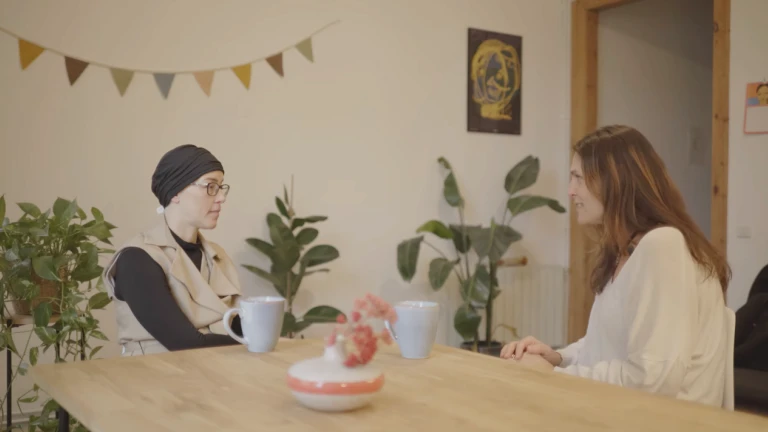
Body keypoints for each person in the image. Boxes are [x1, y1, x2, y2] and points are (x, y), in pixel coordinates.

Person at [501, 125, 732, 408]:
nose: (571, 191)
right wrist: (558, 357)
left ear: (615, 182)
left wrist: (555, 376)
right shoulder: (626, 250)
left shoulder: (663, 244)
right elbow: (609, 344)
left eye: (578, 178)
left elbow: (653, 380)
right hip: (625, 410)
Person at [103, 144, 244, 356]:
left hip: (218, 370)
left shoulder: (218, 257)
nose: (221, 197)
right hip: (154, 374)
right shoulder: (137, 259)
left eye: (221, 187)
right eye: (210, 186)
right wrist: (255, 343)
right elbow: (184, 343)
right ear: (176, 192)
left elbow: (241, 327)